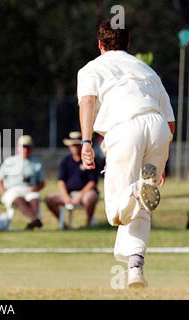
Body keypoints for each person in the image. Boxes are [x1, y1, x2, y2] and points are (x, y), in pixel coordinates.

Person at [77, 20, 175, 288]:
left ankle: (135, 189)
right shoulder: (147, 70)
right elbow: (169, 119)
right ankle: (135, 269)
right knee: (142, 208)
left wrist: (86, 140)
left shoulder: (92, 68)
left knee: (116, 212)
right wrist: (162, 158)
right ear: (128, 44)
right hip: (158, 130)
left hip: (124, 129)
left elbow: (87, 101)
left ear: (99, 44)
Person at [45, 131, 99, 227]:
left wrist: (80, 195)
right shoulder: (65, 161)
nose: (74, 147)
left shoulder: (89, 159)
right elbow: (61, 181)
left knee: (90, 198)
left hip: (85, 193)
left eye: (77, 145)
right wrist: (65, 196)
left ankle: (88, 224)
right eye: (72, 145)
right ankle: (63, 224)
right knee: (49, 199)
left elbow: (92, 182)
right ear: (69, 146)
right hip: (69, 193)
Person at [0, 135, 45, 231]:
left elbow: (42, 182)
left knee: (35, 198)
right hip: (13, 190)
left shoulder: (36, 163)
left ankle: (33, 222)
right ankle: (35, 220)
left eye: (28, 147)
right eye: (23, 147)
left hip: (29, 189)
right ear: (18, 147)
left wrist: (36, 188)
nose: (25, 149)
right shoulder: (10, 161)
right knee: (18, 199)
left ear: (32, 148)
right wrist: (4, 192)